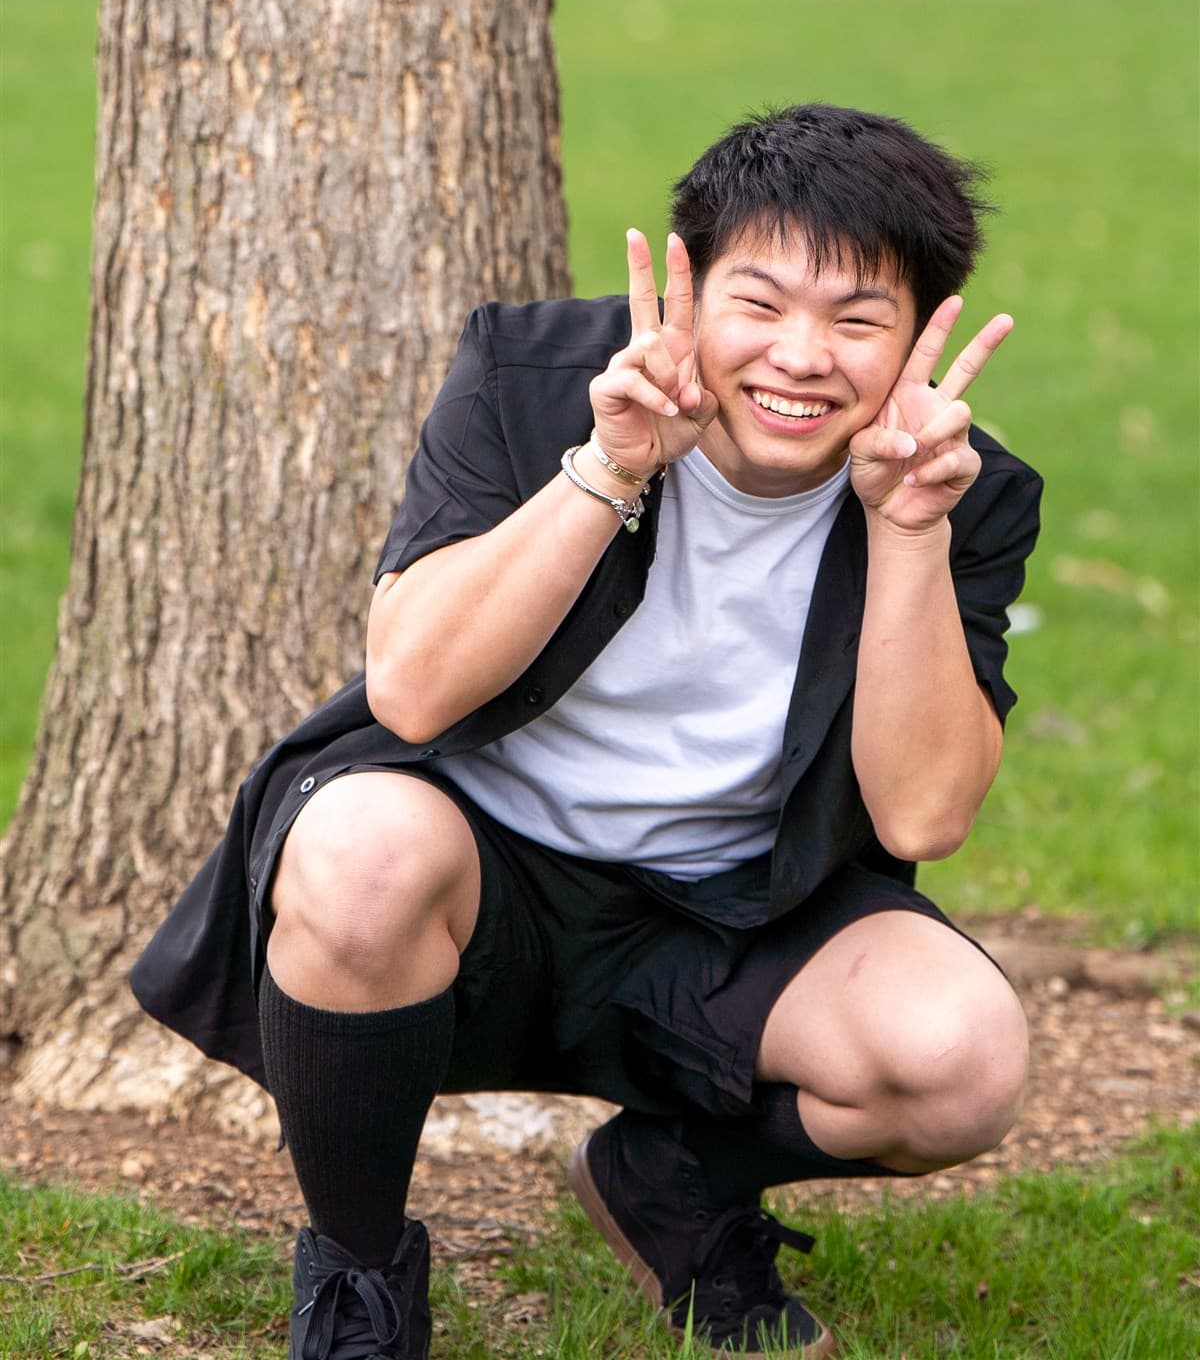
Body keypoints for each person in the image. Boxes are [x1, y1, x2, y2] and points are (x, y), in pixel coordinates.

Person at [131, 103, 1042, 1360]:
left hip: (734, 915)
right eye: (760, 303)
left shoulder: (957, 489)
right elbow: (412, 692)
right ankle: (358, 1280)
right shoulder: (534, 377)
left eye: (856, 321)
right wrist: (613, 468)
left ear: (921, 336)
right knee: (358, 849)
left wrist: (907, 530)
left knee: (962, 1058)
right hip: (479, 868)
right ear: (688, 286)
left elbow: (924, 813)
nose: (800, 357)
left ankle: (671, 1180)